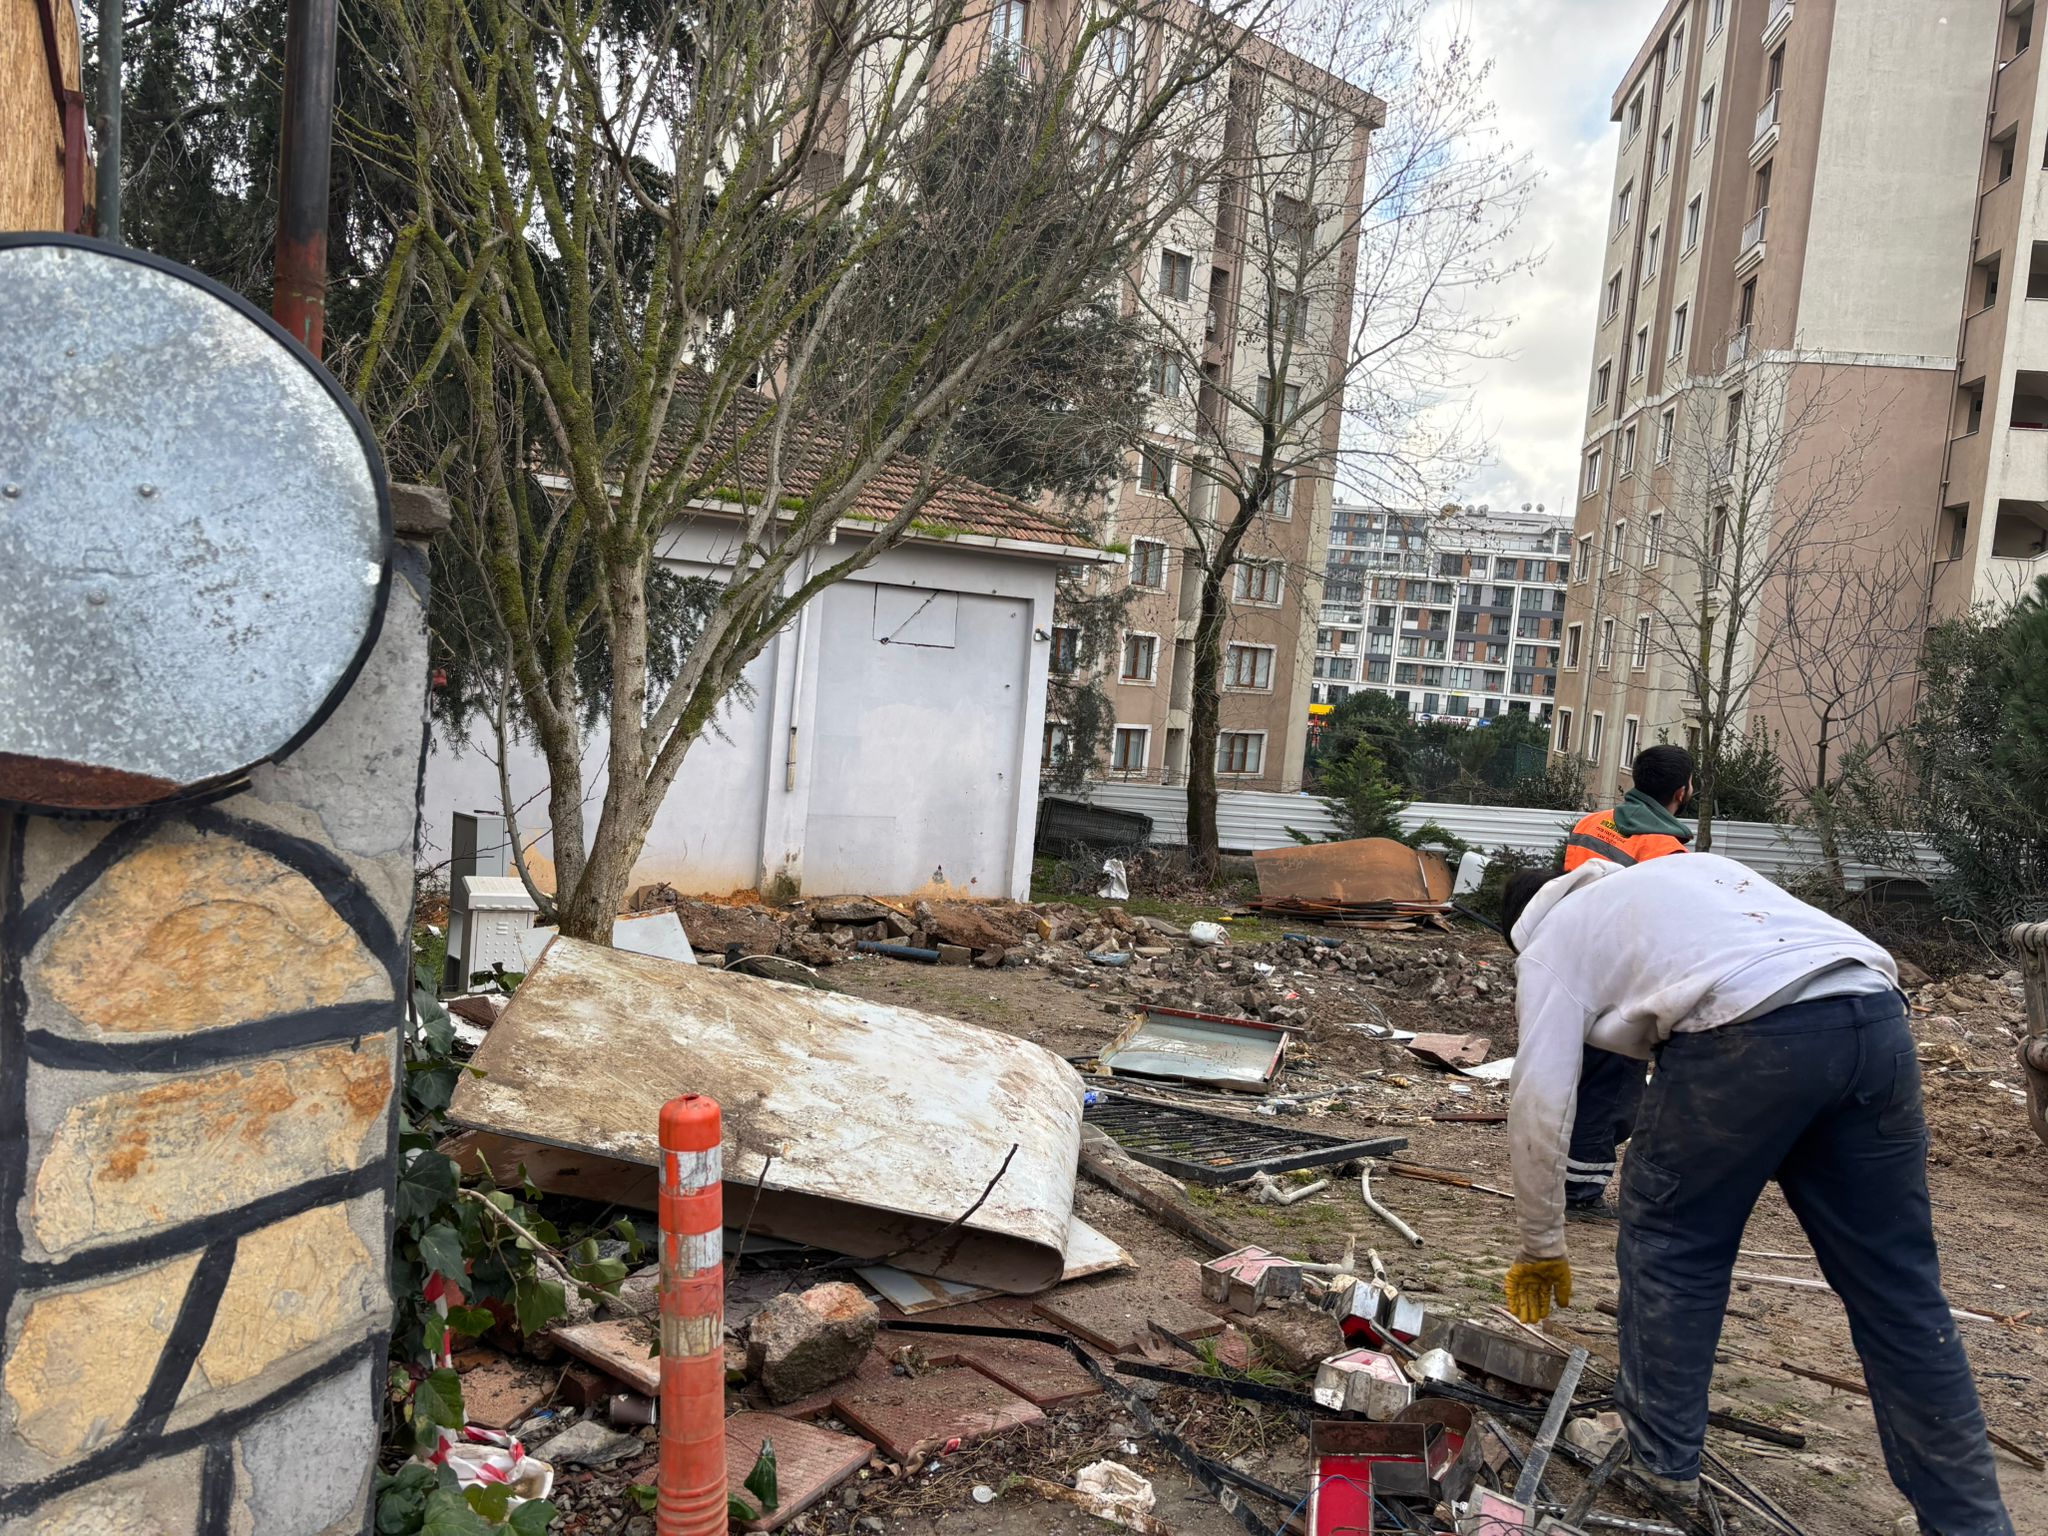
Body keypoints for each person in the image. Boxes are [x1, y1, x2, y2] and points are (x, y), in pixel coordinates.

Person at [1495, 855, 2014, 1534]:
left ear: (1520, 929)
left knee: (1675, 1251)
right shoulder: (1683, 875)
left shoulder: (1551, 942)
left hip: (1742, 1037)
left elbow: (1540, 1098)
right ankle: (1970, 1522)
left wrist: (1541, 1244)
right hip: (1875, 1016)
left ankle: (1661, 1462)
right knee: (1899, 1289)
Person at [1559, 744, 1696, 1216]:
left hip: (1571, 964)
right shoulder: (1668, 851)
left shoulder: (1590, 824)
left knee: (1576, 1078)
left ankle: (1558, 1172)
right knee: (1613, 1089)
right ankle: (1580, 1190)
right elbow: (1664, 929)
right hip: (1621, 981)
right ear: (1682, 792)